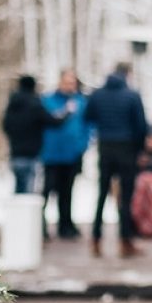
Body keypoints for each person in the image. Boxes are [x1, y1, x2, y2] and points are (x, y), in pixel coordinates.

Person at [85, 62, 148, 257]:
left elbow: (88, 116)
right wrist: (138, 150)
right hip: (126, 149)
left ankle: (96, 239)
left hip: (105, 147)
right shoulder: (132, 95)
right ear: (127, 74)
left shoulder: (97, 95)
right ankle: (125, 241)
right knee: (126, 197)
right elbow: (141, 127)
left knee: (102, 194)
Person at [41, 69, 91, 240]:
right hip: (51, 154)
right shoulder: (48, 100)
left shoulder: (81, 102)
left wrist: (82, 145)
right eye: (67, 82)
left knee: (67, 191)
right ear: (60, 82)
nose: (70, 86)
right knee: (47, 191)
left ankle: (66, 224)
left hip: (72, 154)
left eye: (73, 83)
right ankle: (41, 225)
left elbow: (88, 125)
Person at [1, 75, 65, 194]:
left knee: (19, 188)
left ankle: (18, 211)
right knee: (28, 192)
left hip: (15, 153)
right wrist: (66, 113)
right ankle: (25, 212)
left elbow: (5, 126)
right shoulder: (35, 104)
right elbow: (53, 122)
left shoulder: (12, 104)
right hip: (32, 153)